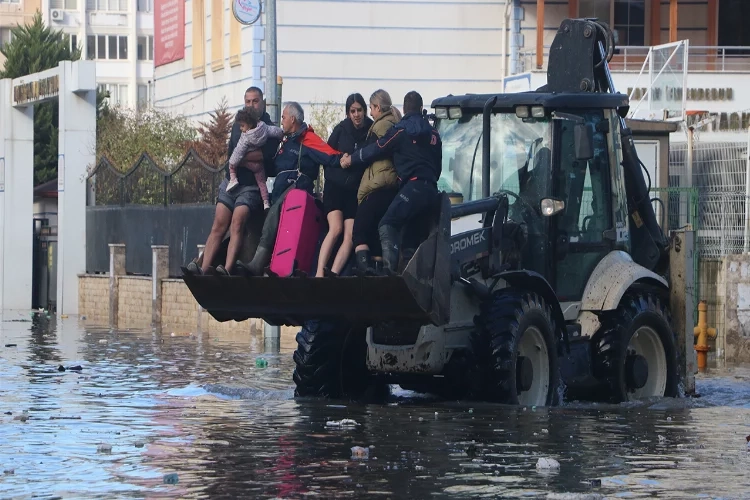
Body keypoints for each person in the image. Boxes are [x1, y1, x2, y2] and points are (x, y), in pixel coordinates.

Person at [237, 102, 343, 276]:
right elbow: (274, 168)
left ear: (292, 119)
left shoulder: (308, 139)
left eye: (284, 117)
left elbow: (329, 155)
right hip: (281, 190)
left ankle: (258, 264)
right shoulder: (285, 141)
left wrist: (345, 159)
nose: (281, 122)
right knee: (260, 215)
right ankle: (264, 264)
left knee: (273, 215)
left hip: (297, 188)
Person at [342, 91, 442, 273]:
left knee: (387, 224)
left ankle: (390, 272)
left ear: (404, 108)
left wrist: (352, 159)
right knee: (411, 235)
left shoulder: (401, 130)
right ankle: (413, 276)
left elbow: (376, 149)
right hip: (431, 191)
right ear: (421, 108)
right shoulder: (434, 133)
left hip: (412, 187)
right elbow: (438, 166)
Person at [185, 86, 280, 277]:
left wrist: (243, 157)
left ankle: (226, 270)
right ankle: (202, 269)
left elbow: (266, 157)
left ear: (262, 102)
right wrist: (246, 157)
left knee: (237, 222)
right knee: (219, 224)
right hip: (231, 183)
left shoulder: (268, 127)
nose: (251, 105)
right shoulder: (239, 123)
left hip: (251, 186)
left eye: (255, 101)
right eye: (248, 101)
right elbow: (232, 155)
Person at [315, 93, 374, 277]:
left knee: (350, 236)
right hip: (336, 186)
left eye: (359, 110)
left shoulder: (371, 130)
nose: (356, 115)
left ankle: (333, 273)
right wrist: (340, 161)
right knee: (336, 229)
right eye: (352, 111)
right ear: (348, 113)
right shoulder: (341, 129)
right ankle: (319, 273)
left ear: (365, 111)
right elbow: (327, 156)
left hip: (354, 190)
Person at [348, 89, 402, 274]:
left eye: (371, 108)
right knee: (376, 230)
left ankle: (364, 268)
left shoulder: (380, 126)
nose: (370, 113)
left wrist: (350, 159)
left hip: (379, 184)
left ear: (378, 107)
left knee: (360, 229)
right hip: (392, 186)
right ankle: (380, 270)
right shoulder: (396, 122)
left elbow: (367, 151)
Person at [226, 108, 284, 210]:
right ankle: (266, 202)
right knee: (262, 183)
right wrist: (282, 135)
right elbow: (275, 131)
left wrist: (232, 164)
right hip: (259, 166)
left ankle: (233, 179)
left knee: (233, 164)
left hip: (249, 164)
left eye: (242, 126)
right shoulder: (264, 128)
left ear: (248, 124)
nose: (241, 128)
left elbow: (238, 152)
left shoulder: (245, 137)